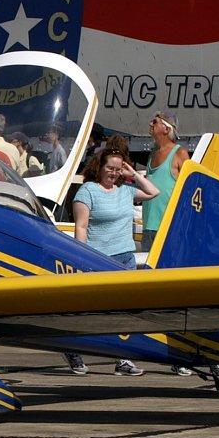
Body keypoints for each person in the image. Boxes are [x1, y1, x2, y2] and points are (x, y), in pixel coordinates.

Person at [64, 147, 159, 376]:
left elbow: (153, 192)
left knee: (124, 310)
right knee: (90, 309)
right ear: (100, 167)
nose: (114, 173)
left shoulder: (126, 191)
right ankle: (72, 348)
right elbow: (81, 226)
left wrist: (132, 173)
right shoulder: (87, 191)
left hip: (125, 257)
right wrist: (82, 258)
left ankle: (123, 359)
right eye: (110, 168)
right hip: (97, 258)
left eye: (118, 169)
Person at [141, 110, 190, 250]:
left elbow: (189, 190)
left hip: (170, 226)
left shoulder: (180, 153)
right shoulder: (152, 154)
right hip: (148, 226)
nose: (150, 123)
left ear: (166, 129)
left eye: (155, 121)